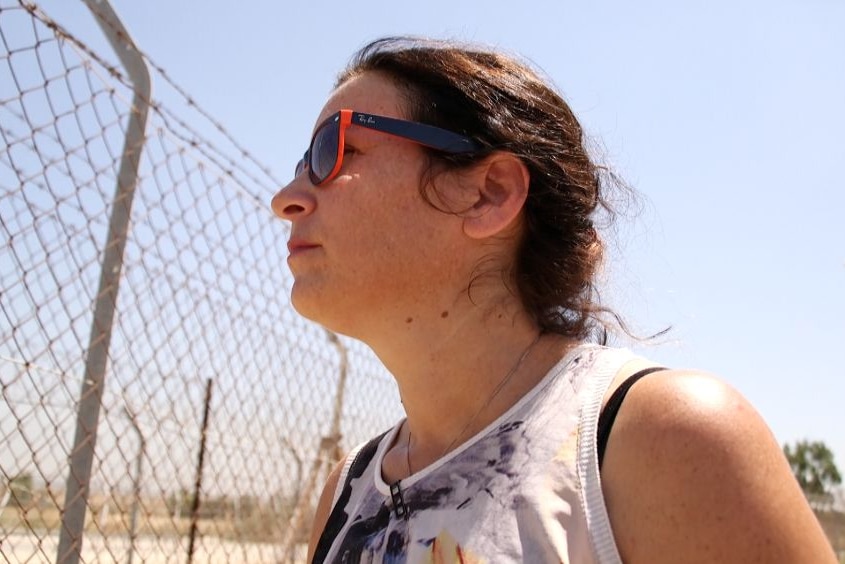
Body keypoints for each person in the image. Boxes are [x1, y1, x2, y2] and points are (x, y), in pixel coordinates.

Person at [271, 36, 836, 564]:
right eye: (300, 163)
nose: (286, 198)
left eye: (332, 149)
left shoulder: (662, 443)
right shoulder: (348, 491)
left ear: (488, 194)